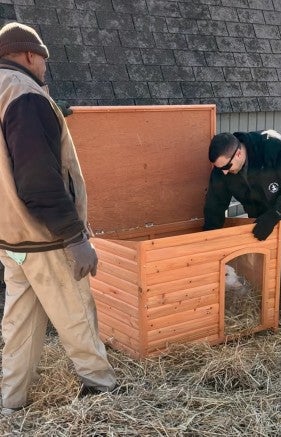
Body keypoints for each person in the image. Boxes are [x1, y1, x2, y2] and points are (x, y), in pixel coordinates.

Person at [0, 22, 117, 415]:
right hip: (46, 237)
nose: (46, 69)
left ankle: (11, 403)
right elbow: (37, 177)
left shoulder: (7, 92)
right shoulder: (24, 95)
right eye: (44, 61)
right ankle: (102, 393)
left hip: (10, 238)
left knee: (19, 326)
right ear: (31, 56)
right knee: (76, 317)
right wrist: (74, 236)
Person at [203, 130, 281, 335]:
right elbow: (214, 205)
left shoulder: (273, 147)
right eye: (220, 169)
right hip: (265, 215)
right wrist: (210, 240)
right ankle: (272, 315)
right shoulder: (223, 171)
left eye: (227, 167)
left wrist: (275, 215)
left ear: (238, 153)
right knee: (274, 264)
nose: (225, 173)